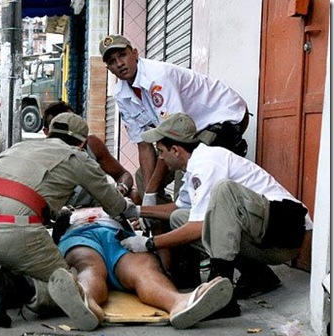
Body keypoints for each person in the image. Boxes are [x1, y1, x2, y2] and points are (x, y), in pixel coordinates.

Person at [119, 113, 312, 319]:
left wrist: (149, 243)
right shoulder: (192, 169)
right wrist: (137, 210)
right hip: (263, 234)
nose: (161, 158)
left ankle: (222, 294)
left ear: (175, 150)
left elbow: (199, 226)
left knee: (224, 192)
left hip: (285, 234)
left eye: (161, 152)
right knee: (179, 217)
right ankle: (258, 276)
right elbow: (177, 209)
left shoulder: (209, 162)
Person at [0, 113, 138, 331]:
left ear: (49, 133)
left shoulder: (19, 147)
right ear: (82, 142)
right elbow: (115, 205)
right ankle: (14, 286)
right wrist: (132, 206)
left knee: (24, 259)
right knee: (72, 285)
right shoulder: (77, 157)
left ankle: (2, 284)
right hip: (14, 231)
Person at [100, 34, 249, 207]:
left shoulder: (158, 76)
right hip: (189, 130)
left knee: (186, 178)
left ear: (134, 53)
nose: (119, 64)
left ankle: (186, 227)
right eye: (112, 61)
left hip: (224, 116)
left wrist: (151, 192)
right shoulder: (121, 95)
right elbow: (143, 145)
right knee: (142, 179)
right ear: (109, 68)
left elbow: (176, 137)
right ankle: (160, 228)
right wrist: (149, 193)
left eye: (122, 55)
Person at [54, 206, 233, 329]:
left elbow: (127, 182)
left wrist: (126, 196)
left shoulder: (116, 202)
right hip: (80, 235)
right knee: (88, 266)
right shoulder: (68, 206)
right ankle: (86, 301)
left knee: (145, 269)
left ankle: (179, 303)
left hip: (119, 236)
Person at [42, 101, 136, 205]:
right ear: (47, 132)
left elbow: (123, 174)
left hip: (95, 206)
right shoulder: (41, 155)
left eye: (73, 125)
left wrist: (121, 189)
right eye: (61, 129)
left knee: (134, 196)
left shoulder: (91, 144)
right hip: (57, 211)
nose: (67, 135)